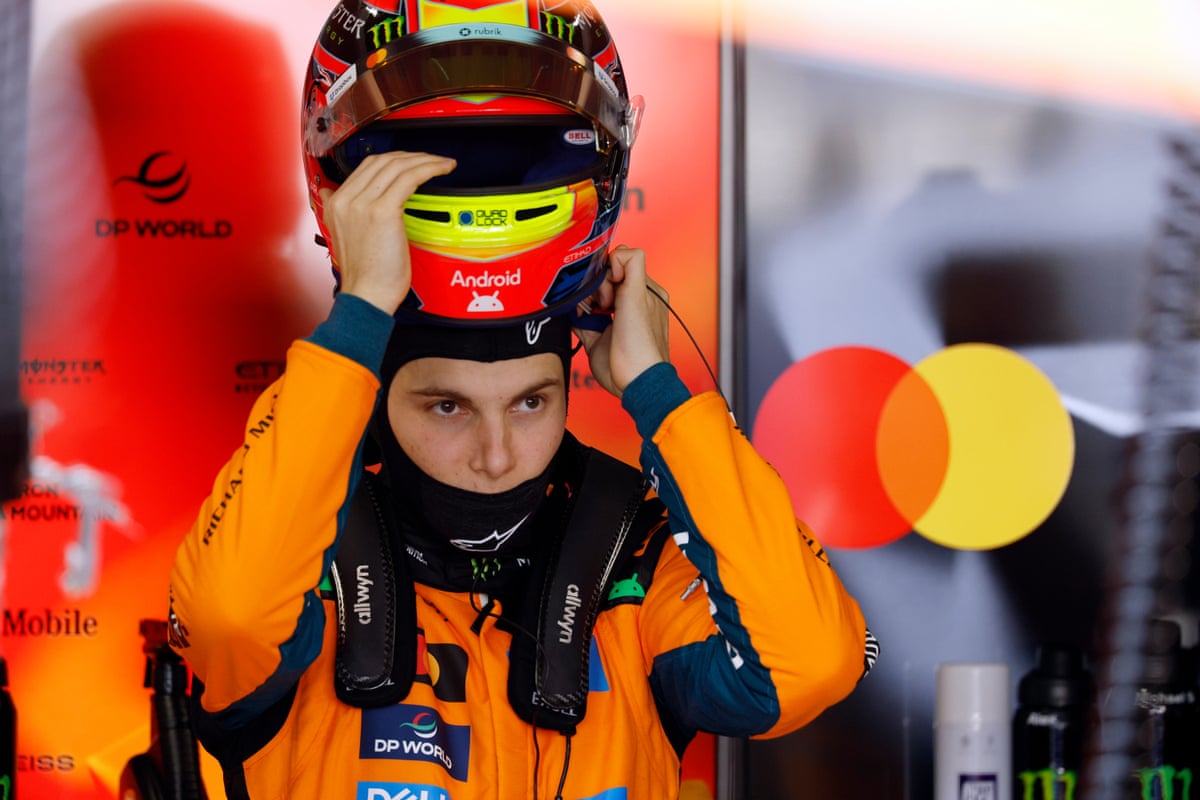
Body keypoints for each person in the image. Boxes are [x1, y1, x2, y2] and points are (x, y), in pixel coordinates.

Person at [167, 2, 877, 798]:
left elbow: (811, 660)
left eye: (533, 403)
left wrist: (659, 396)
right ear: (372, 393)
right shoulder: (304, 562)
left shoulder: (631, 561)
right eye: (447, 407)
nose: (498, 454)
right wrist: (362, 313)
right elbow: (228, 615)